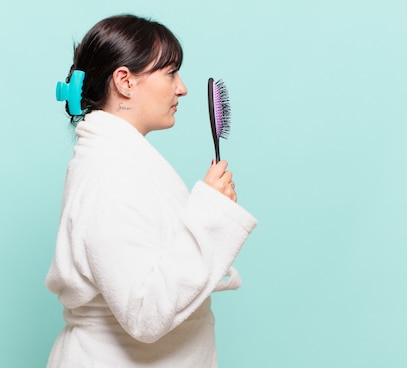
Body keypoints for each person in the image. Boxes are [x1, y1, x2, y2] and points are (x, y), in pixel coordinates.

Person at [45, 14, 257, 367]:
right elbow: (145, 313)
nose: (182, 87)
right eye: (171, 72)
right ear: (125, 81)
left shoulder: (126, 161)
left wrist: (211, 211)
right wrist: (211, 217)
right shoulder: (108, 174)